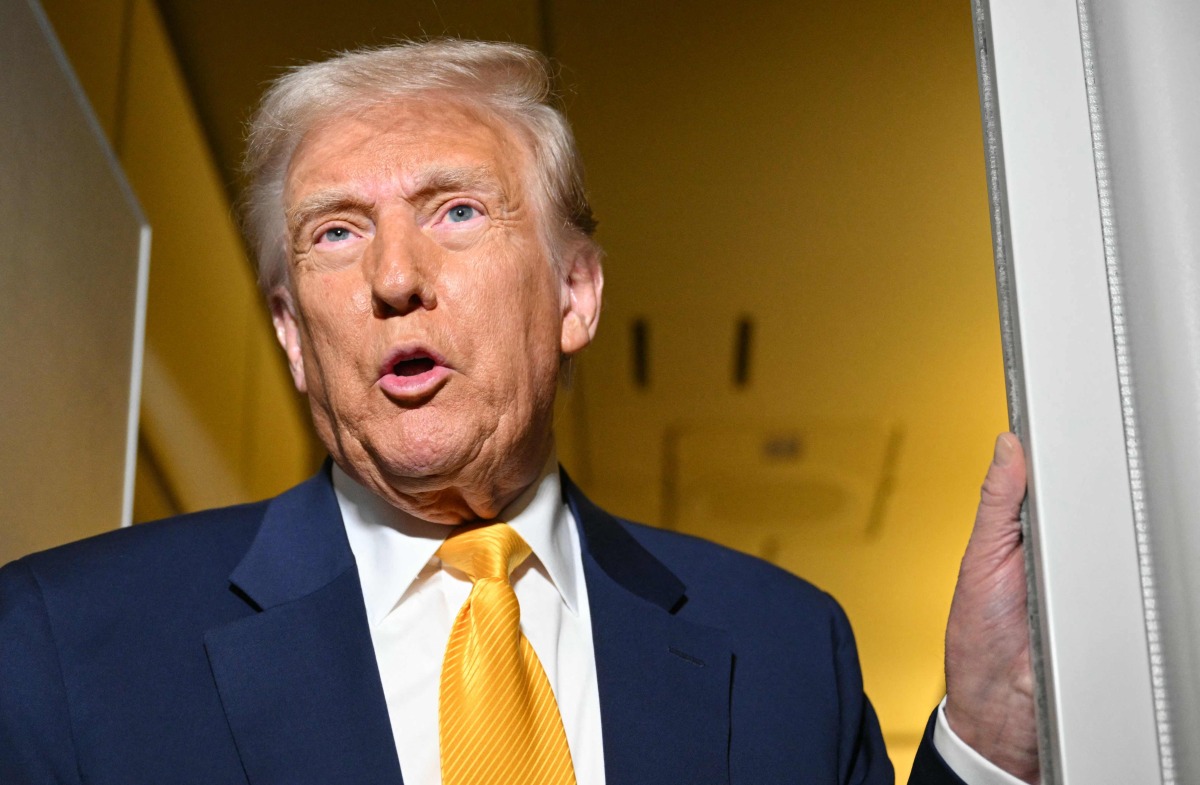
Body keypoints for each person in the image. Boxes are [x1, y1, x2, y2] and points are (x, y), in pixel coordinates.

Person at [0, 40, 1037, 784]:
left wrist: (989, 738)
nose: (395, 275)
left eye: (456, 211)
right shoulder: (63, 642)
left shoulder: (780, 649)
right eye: (335, 233)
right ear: (289, 331)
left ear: (575, 294)